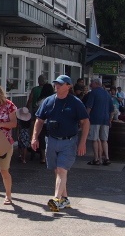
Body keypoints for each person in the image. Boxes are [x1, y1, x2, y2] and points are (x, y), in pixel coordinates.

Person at [31, 75, 89, 212]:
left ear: (68, 86)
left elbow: (85, 122)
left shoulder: (75, 102)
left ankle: (56, 200)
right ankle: (65, 199)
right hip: (51, 140)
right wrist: (34, 138)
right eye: (56, 83)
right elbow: (39, 120)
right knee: (57, 170)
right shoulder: (48, 101)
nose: (57, 86)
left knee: (62, 170)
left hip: (69, 141)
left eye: (60, 84)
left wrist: (82, 142)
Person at [84, 78, 115, 166]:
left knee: (94, 139)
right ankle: (107, 158)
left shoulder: (93, 93)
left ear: (96, 84)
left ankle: (97, 159)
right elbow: (112, 110)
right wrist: (110, 120)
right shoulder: (107, 93)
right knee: (104, 140)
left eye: (91, 83)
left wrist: (85, 119)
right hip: (105, 119)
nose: (90, 84)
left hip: (95, 119)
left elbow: (89, 107)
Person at [26, 75, 53, 162]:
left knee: (37, 133)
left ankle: (38, 151)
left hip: (36, 112)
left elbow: (30, 100)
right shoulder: (53, 98)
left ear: (38, 81)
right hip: (50, 120)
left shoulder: (35, 90)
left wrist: (26, 108)